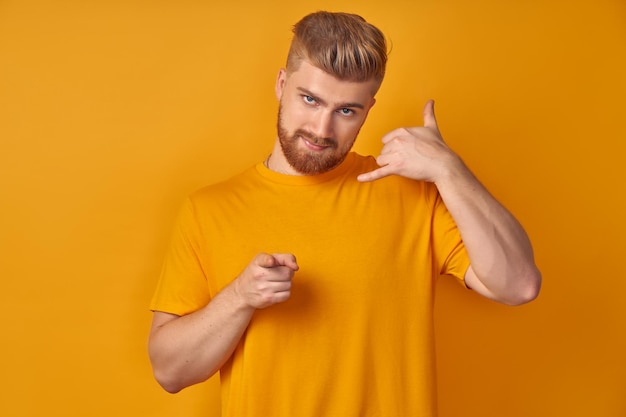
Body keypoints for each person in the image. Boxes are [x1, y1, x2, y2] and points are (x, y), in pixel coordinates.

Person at [148, 11, 541, 417]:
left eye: (347, 111)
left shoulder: (409, 192)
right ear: (282, 84)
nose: (322, 128)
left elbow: (519, 284)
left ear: (369, 109)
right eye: (310, 99)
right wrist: (239, 298)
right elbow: (169, 372)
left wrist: (449, 169)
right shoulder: (209, 208)